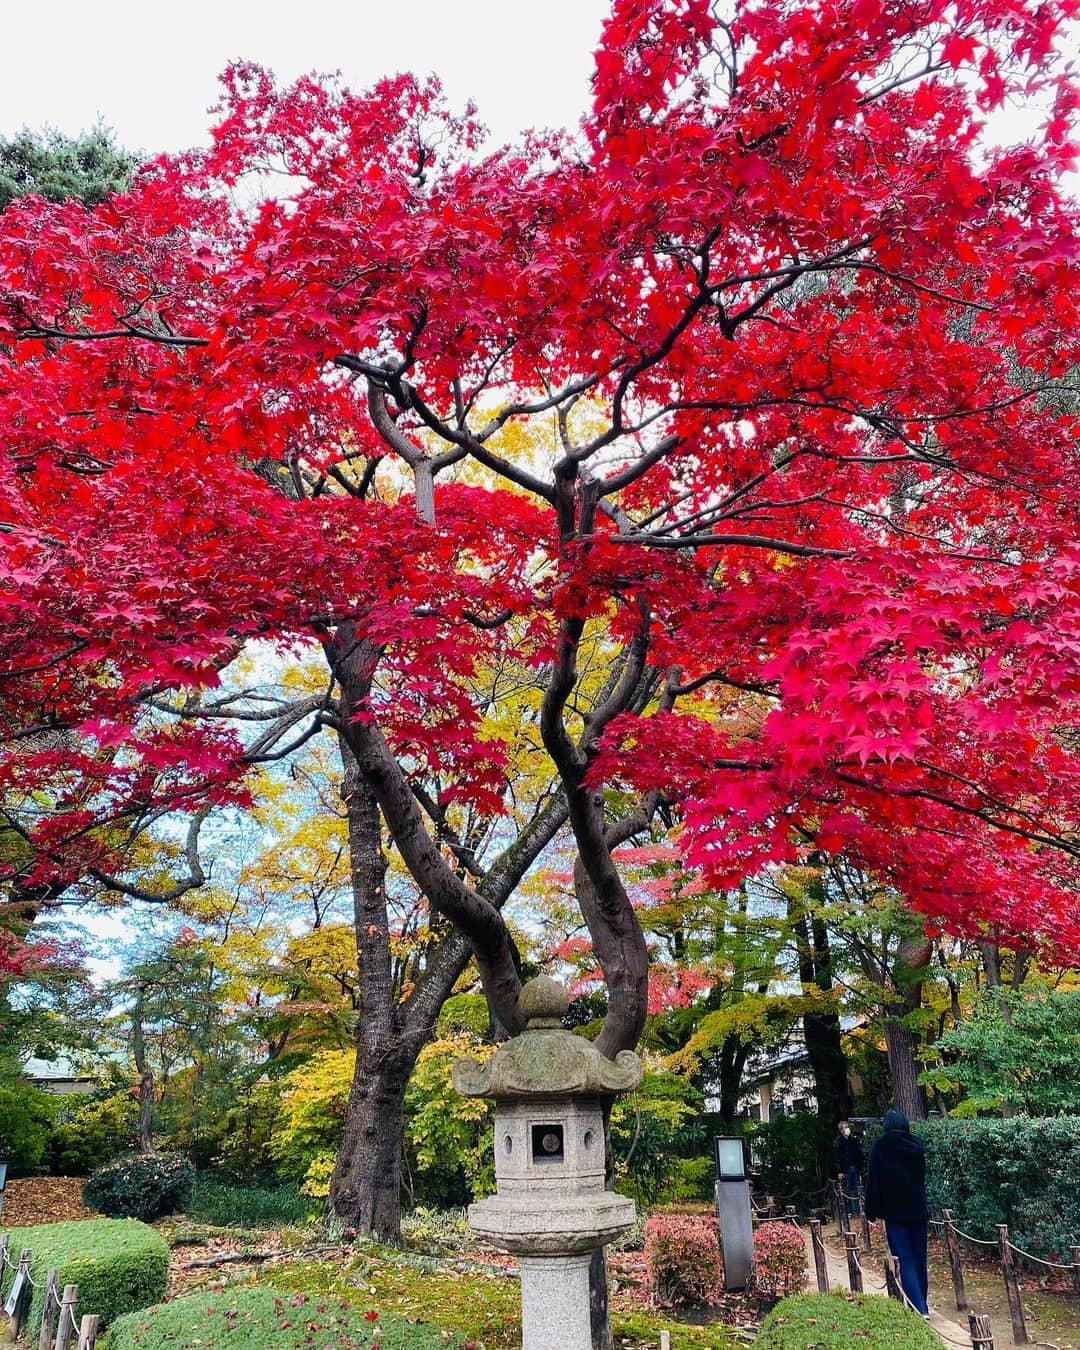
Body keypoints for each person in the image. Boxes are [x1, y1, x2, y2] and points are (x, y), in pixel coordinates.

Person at [864, 1107, 930, 1318]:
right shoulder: (916, 1146)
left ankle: (919, 1307)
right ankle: (922, 1302)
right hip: (917, 1210)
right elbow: (921, 1178)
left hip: (894, 1213)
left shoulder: (880, 1148)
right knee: (920, 1258)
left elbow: (873, 1181)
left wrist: (871, 1210)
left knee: (905, 1259)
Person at [833, 1119, 864, 1218]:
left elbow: (858, 1153)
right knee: (846, 1190)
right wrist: (839, 1171)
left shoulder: (853, 1140)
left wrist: (860, 1165)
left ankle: (857, 1210)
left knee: (855, 1189)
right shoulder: (839, 1142)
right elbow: (837, 1157)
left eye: (847, 1127)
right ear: (841, 1130)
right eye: (845, 1128)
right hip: (845, 1169)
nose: (847, 1129)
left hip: (854, 1167)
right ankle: (849, 1211)